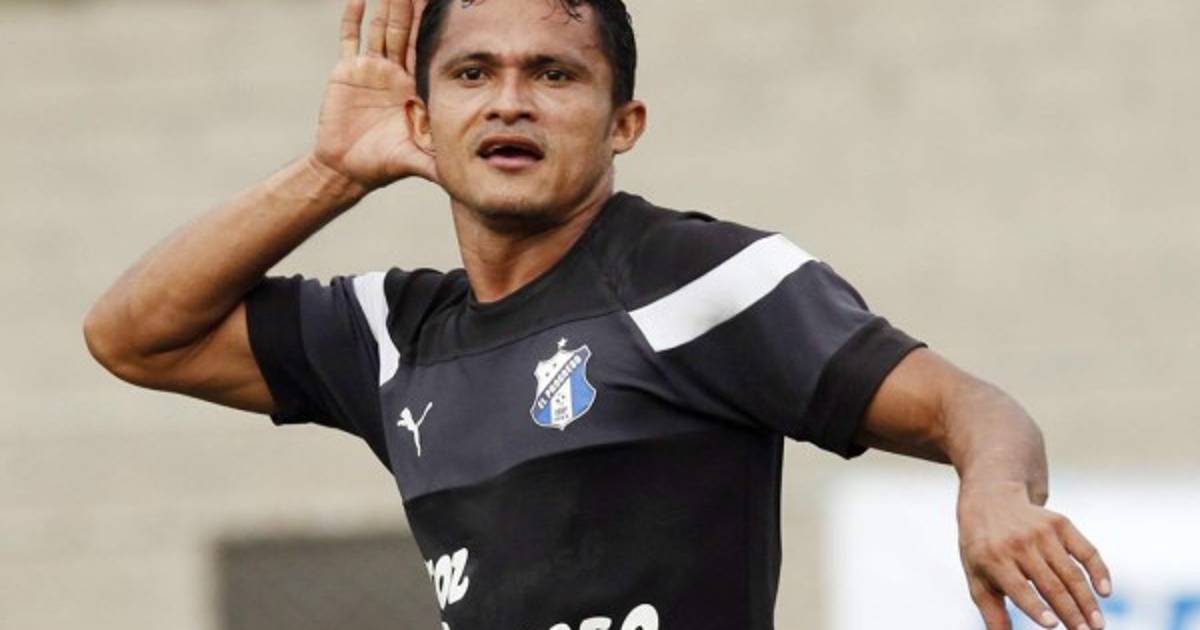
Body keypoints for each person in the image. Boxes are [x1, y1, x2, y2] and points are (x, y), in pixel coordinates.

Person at [83, 0, 1113, 628]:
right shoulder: (391, 334)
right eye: (473, 73)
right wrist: (331, 172)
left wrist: (993, 493)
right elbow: (132, 336)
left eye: (555, 74)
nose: (510, 101)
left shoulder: (700, 279)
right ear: (422, 119)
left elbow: (972, 405)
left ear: (624, 123)